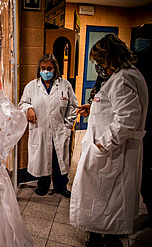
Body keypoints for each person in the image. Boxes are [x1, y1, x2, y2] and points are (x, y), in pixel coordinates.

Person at [70, 34, 148, 247]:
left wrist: (102, 144)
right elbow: (115, 109)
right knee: (105, 200)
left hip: (113, 153)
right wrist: (92, 107)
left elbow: (127, 120)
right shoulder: (125, 76)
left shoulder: (122, 79)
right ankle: (101, 236)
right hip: (112, 153)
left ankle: (105, 240)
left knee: (105, 200)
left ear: (111, 56)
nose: (98, 66)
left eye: (100, 61)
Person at [18, 53, 78, 198]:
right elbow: (22, 103)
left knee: (59, 160)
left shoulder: (65, 85)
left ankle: (61, 186)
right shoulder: (32, 86)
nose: (46, 71)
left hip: (59, 129)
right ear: (39, 69)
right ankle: (42, 185)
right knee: (42, 159)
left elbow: (73, 107)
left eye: (49, 68)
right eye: (43, 68)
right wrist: (29, 109)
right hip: (41, 129)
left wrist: (67, 125)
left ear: (55, 69)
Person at [134, 23, 152, 228]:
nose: (139, 42)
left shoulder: (136, 71)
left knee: (145, 172)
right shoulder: (136, 66)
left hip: (146, 126)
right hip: (141, 128)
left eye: (143, 38)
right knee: (143, 174)